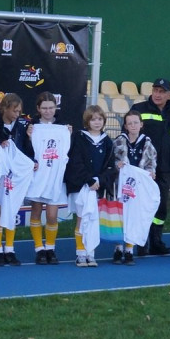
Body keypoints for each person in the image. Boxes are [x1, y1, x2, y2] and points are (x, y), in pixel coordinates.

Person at [129, 77, 170, 255]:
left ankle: (156, 241)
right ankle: (141, 243)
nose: (157, 95)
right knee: (142, 205)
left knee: (160, 205)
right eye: (155, 90)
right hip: (144, 169)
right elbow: (127, 132)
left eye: (162, 92)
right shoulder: (139, 109)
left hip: (165, 166)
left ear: (169, 94)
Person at [65, 105, 116, 267]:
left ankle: (91, 253)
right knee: (82, 218)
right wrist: (89, 180)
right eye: (93, 119)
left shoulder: (107, 141)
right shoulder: (80, 138)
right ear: (87, 121)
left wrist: (99, 180)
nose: (96, 122)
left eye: (100, 119)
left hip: (97, 187)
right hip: (82, 186)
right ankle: (80, 253)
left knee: (93, 220)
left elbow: (110, 166)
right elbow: (76, 162)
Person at [0, 92, 32, 265]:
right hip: (0, 176)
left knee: (12, 209)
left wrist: (31, 162)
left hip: (15, 178)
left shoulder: (20, 127)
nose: (17, 114)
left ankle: (10, 249)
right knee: (0, 209)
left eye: (19, 111)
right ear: (4, 108)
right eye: (14, 111)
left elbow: (26, 149)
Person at [27, 91, 70, 265]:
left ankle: (50, 248)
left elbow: (67, 152)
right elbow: (26, 150)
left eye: (51, 107)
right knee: (36, 212)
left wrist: (69, 134)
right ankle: (39, 249)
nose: (47, 111)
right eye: (44, 108)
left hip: (54, 177)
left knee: (52, 215)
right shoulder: (32, 127)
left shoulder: (63, 127)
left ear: (55, 107)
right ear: (38, 109)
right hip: (38, 176)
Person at [112, 109, 157, 265]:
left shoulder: (148, 143)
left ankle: (129, 250)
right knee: (120, 216)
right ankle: (118, 248)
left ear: (141, 124)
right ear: (125, 125)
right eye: (129, 123)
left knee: (133, 217)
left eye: (136, 122)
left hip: (138, 187)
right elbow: (111, 160)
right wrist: (116, 165)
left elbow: (152, 162)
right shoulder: (118, 141)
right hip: (120, 186)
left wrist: (151, 172)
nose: (133, 125)